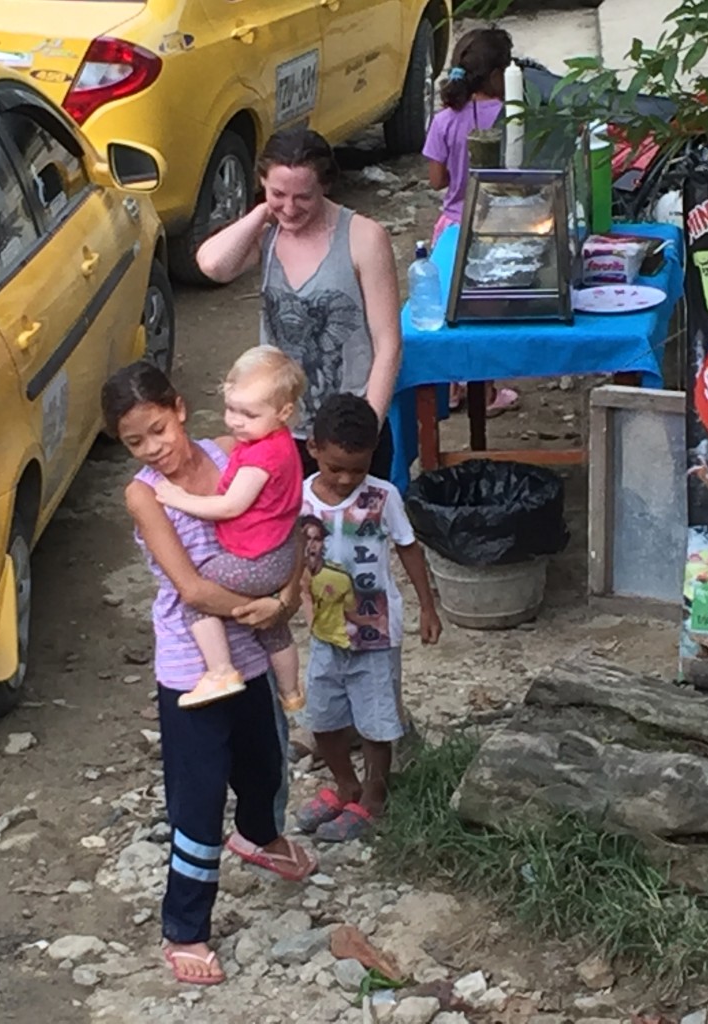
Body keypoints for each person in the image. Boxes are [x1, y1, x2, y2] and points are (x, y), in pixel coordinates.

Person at [101, 361, 316, 986]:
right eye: (135, 442)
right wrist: (269, 607)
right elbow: (192, 589)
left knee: (265, 763)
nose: (153, 450)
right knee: (196, 803)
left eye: (158, 430)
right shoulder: (144, 494)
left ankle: (258, 837)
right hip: (193, 666)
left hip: (252, 650)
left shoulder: (235, 453)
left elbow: (288, 524)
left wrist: (291, 587)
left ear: (180, 409)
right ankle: (185, 928)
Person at [196, 126, 402, 481]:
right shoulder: (267, 235)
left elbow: (389, 344)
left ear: (325, 185)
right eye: (279, 193)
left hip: (345, 430)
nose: (289, 209)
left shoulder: (364, 238)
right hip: (278, 428)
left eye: (303, 197)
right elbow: (214, 266)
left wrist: (368, 427)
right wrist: (262, 213)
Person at [295, 393, 442, 842]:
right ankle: (345, 784)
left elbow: (407, 547)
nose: (345, 479)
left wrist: (427, 606)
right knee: (322, 716)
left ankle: (374, 796)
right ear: (313, 448)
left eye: (357, 468)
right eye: (335, 467)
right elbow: (294, 554)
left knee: (377, 720)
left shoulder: (384, 497)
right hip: (324, 631)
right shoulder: (299, 499)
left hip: (376, 631)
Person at [153, 346, 305, 712]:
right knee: (274, 630)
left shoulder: (259, 457)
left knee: (198, 594)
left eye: (248, 414)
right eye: (231, 408)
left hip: (255, 558)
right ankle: (291, 693)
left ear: (284, 412)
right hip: (281, 551)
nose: (235, 421)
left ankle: (221, 670)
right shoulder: (278, 442)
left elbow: (229, 506)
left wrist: (176, 497)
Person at [422, 27, 520, 417]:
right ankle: (487, 391)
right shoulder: (512, 116)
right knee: (488, 317)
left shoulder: (445, 120)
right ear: (498, 74)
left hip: (451, 228)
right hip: (496, 227)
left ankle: (451, 389)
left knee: (453, 312)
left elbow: (436, 180)